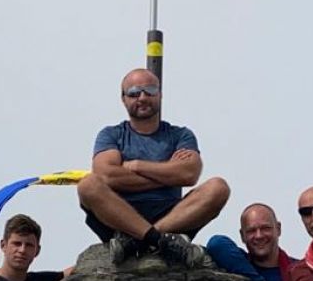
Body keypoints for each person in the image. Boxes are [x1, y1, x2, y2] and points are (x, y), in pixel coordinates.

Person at [77, 68, 230, 265]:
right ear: (123, 99)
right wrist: (169, 173)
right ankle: (159, 241)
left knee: (218, 187)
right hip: (120, 215)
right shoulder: (111, 134)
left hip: (173, 215)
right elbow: (107, 176)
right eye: (134, 93)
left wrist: (137, 166)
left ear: (160, 94)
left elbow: (189, 174)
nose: (142, 97)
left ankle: (138, 241)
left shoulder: (180, 135)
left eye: (149, 91)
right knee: (87, 185)